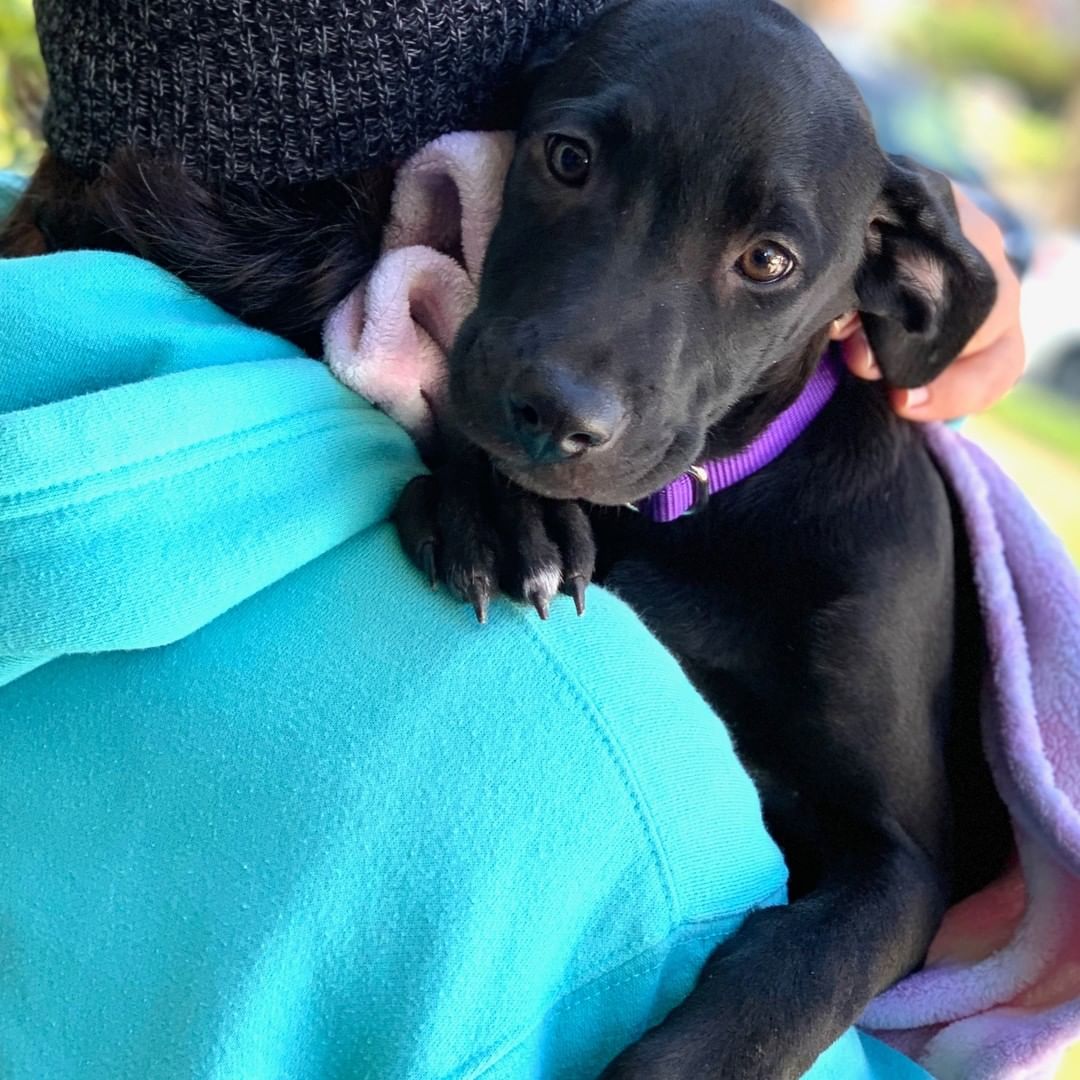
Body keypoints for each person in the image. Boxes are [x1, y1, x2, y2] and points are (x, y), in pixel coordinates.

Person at [0, 2, 1023, 1077]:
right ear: (463, 164)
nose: (579, 385)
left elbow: (900, 860)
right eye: (573, 165)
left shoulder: (843, 575)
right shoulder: (592, 802)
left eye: (766, 258)